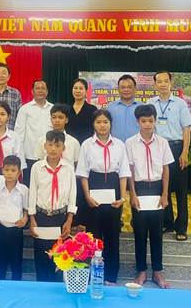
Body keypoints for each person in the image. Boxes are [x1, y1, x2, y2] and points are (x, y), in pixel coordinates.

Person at [76, 109, 130, 284]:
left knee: (112, 235)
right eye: (98, 122)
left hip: (114, 190)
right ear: (93, 124)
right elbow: (83, 173)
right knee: (94, 236)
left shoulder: (119, 145)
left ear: (110, 124)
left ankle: (111, 276)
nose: (102, 125)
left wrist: (122, 198)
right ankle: (93, 276)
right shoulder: (87, 144)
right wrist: (87, 196)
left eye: (105, 122)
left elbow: (123, 173)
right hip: (94, 188)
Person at [126, 104, 172, 289]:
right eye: (143, 121)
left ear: (155, 121)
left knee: (157, 233)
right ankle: (141, 271)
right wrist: (132, 194)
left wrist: (165, 194)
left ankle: (158, 271)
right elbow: (129, 170)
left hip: (157, 189)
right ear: (138, 122)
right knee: (139, 233)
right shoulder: (130, 143)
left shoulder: (162, 142)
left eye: (150, 121)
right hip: (139, 189)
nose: (147, 124)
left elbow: (166, 169)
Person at [149, 70, 191, 241]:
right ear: (155, 84)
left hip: (176, 147)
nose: (162, 84)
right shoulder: (151, 103)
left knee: (181, 190)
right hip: (158, 148)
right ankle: (167, 223)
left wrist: (185, 152)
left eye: (165, 81)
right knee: (162, 187)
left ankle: (181, 227)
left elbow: (186, 129)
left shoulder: (180, 103)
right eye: (159, 81)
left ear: (171, 83)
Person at [28, 130, 77, 282]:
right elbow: (32, 193)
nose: (53, 149)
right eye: (50, 145)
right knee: (41, 256)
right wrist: (32, 218)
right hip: (41, 217)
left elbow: (72, 194)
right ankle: (42, 288)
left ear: (64, 148)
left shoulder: (68, 168)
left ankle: (57, 288)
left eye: (57, 145)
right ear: (45, 146)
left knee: (59, 258)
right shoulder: (37, 167)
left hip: (60, 217)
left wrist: (69, 219)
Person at [0, 155, 28, 281]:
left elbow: (26, 210)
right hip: (0, 229)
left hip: (16, 230)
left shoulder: (24, 190)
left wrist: (24, 220)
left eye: (13, 170)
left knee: (16, 263)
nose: (9, 173)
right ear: (2, 171)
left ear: (19, 173)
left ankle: (16, 287)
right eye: (7, 170)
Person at [14, 79, 53, 186]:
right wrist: (20, 158)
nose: (40, 91)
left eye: (43, 88)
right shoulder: (25, 109)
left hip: (49, 157)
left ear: (47, 91)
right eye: (37, 88)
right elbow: (19, 135)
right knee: (30, 188)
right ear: (32, 91)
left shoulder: (53, 109)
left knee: (47, 187)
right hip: (30, 157)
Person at [107, 74, 141, 143]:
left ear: (135, 89)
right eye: (123, 87)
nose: (126, 90)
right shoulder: (110, 107)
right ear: (118, 89)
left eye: (129, 87)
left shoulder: (142, 107)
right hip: (115, 146)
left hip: (137, 146)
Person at [66, 78, 97, 144]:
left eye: (81, 88)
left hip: (86, 145)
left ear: (86, 91)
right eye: (75, 88)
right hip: (70, 145)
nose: (77, 91)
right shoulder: (66, 109)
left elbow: (96, 129)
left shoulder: (92, 109)